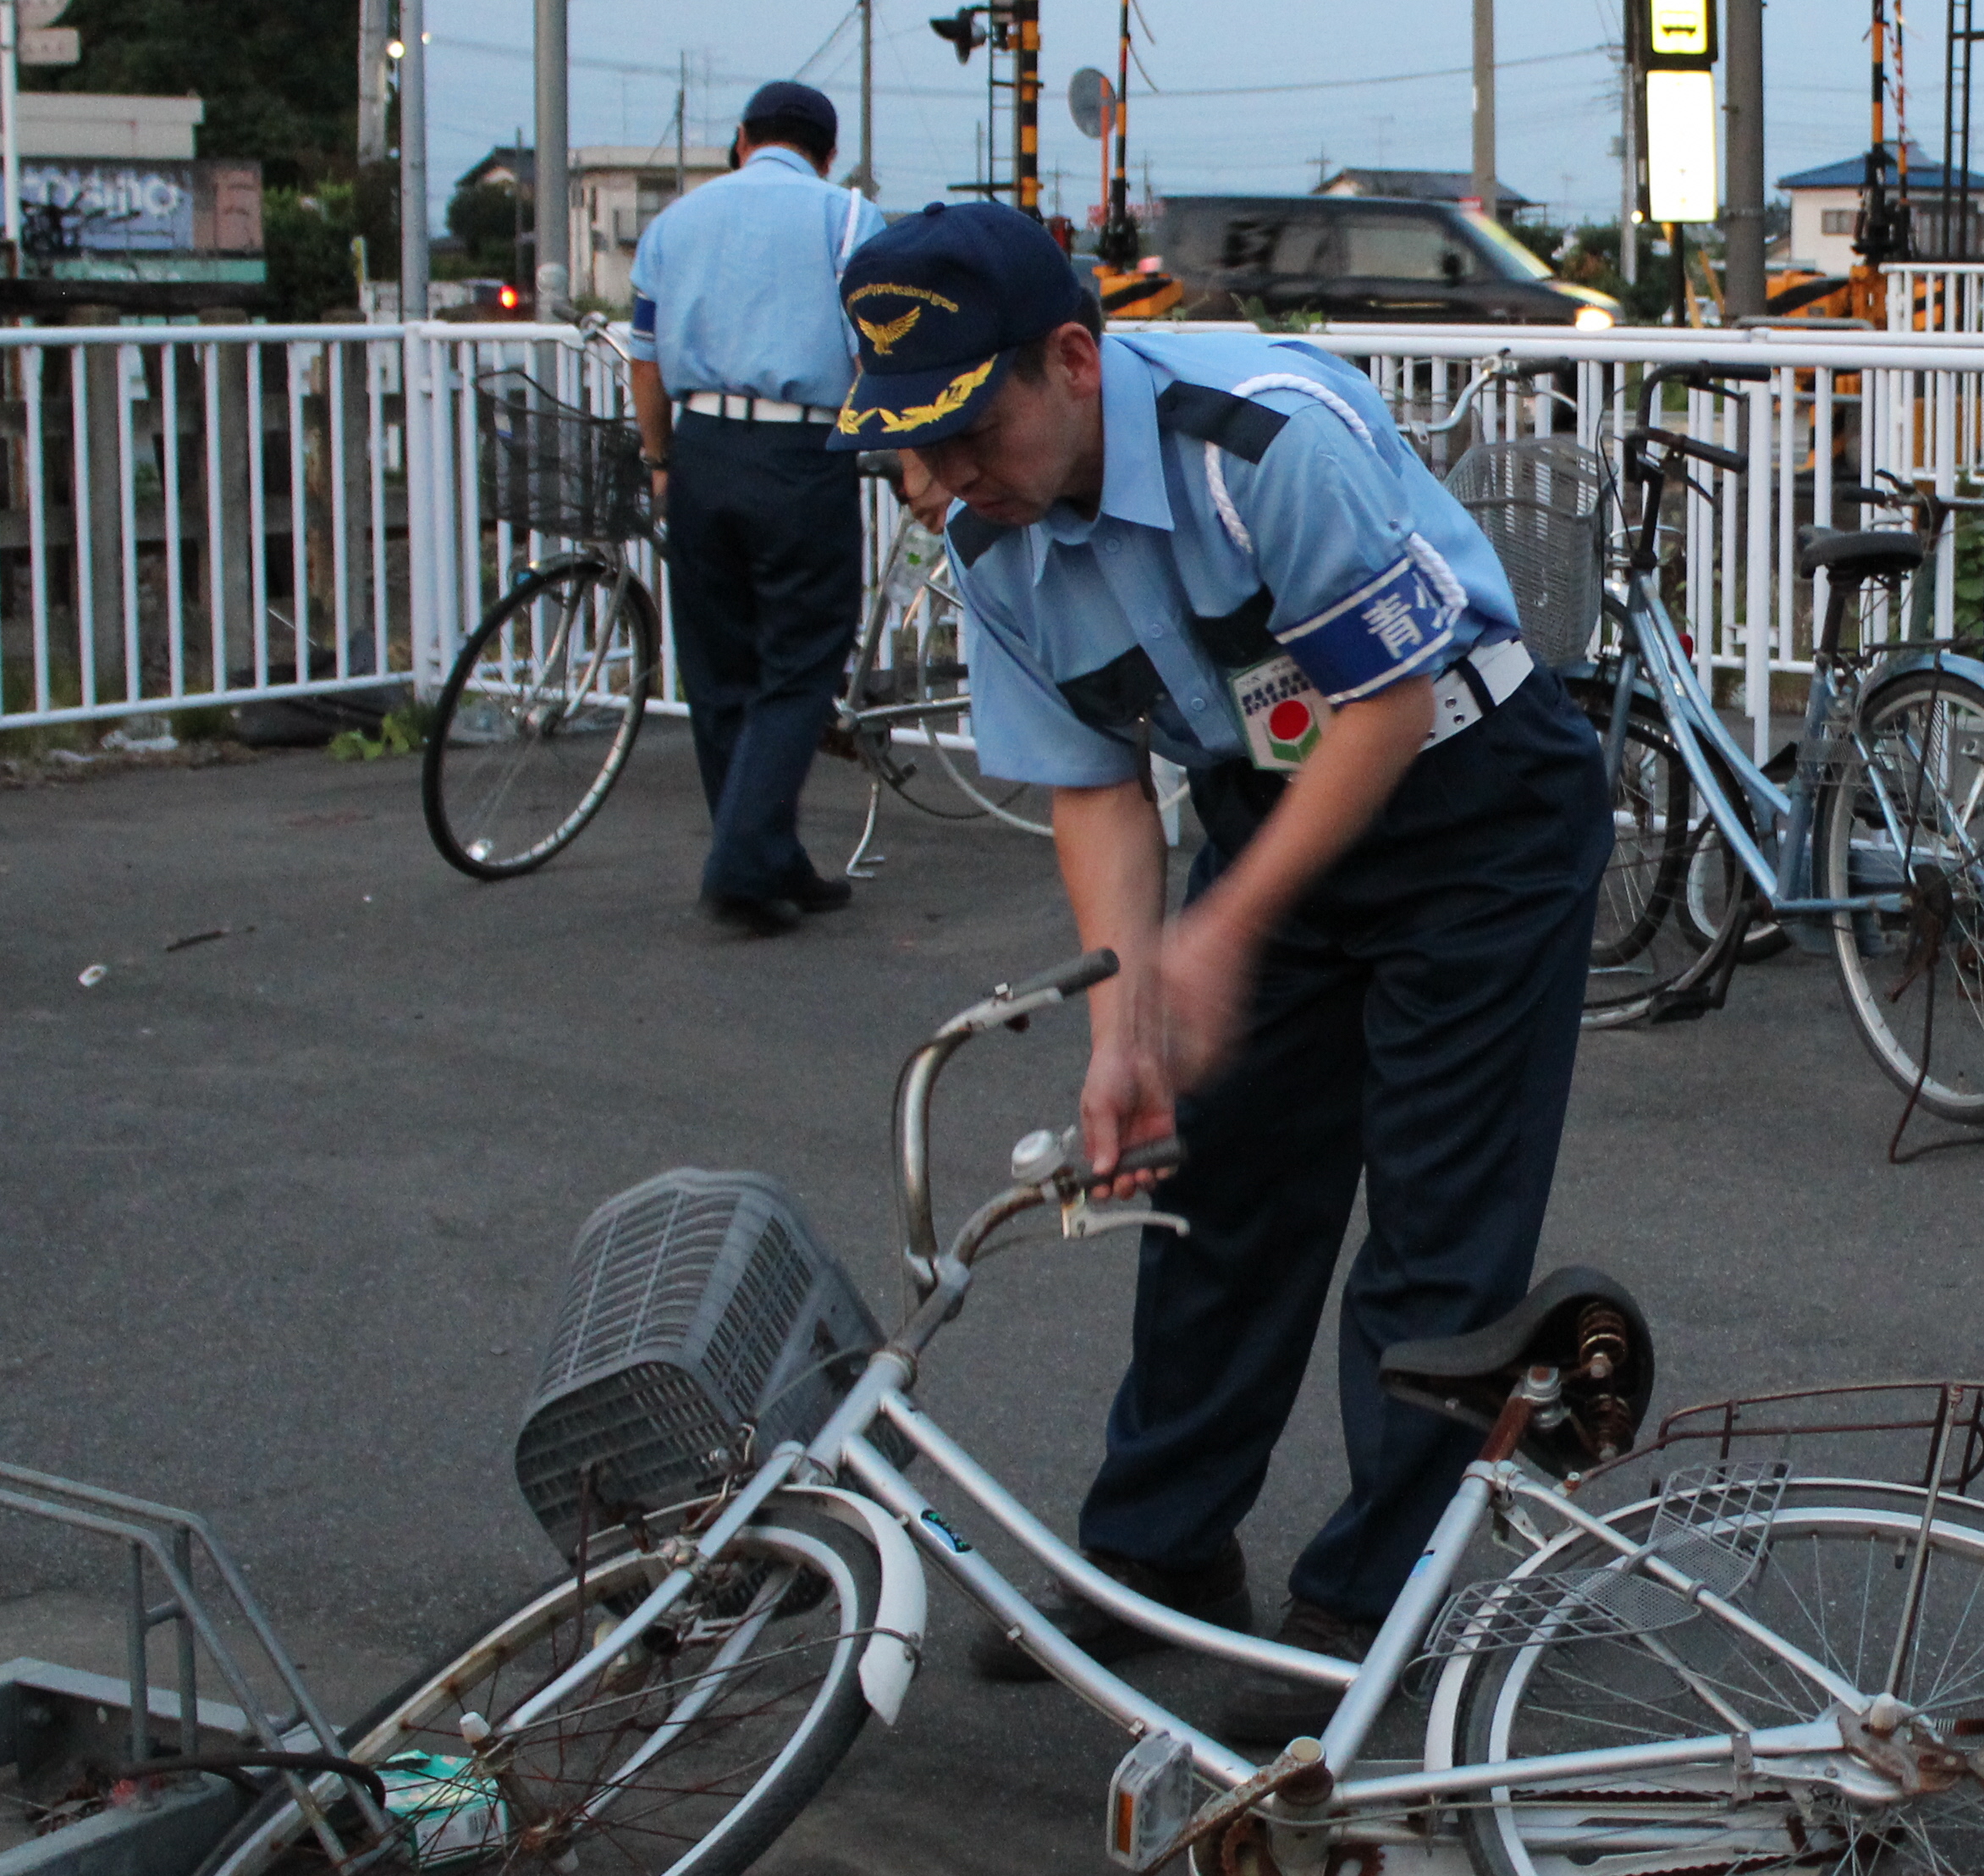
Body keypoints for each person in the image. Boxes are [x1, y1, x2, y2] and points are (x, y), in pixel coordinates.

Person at [824, 201, 1610, 1666]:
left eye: (962, 435)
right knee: (1210, 1188)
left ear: (1070, 357)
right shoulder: (996, 546)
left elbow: (1380, 705)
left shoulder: (1258, 438)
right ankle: (1158, 1558)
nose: (933, 486)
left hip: (1472, 795)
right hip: (1270, 810)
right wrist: (1129, 1027)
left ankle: (1379, 1607)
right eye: (902, 449)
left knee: (1434, 1230)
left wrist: (1226, 931)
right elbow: (1094, 789)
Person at [624, 82, 881, 936]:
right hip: (800, 455)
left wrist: (660, 463)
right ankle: (743, 861)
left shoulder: (674, 224)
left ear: (741, 140)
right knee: (801, 658)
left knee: (719, 665)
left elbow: (648, 361)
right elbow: (874, 350)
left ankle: (769, 856)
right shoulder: (846, 221)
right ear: (828, 153)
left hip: (699, 449)